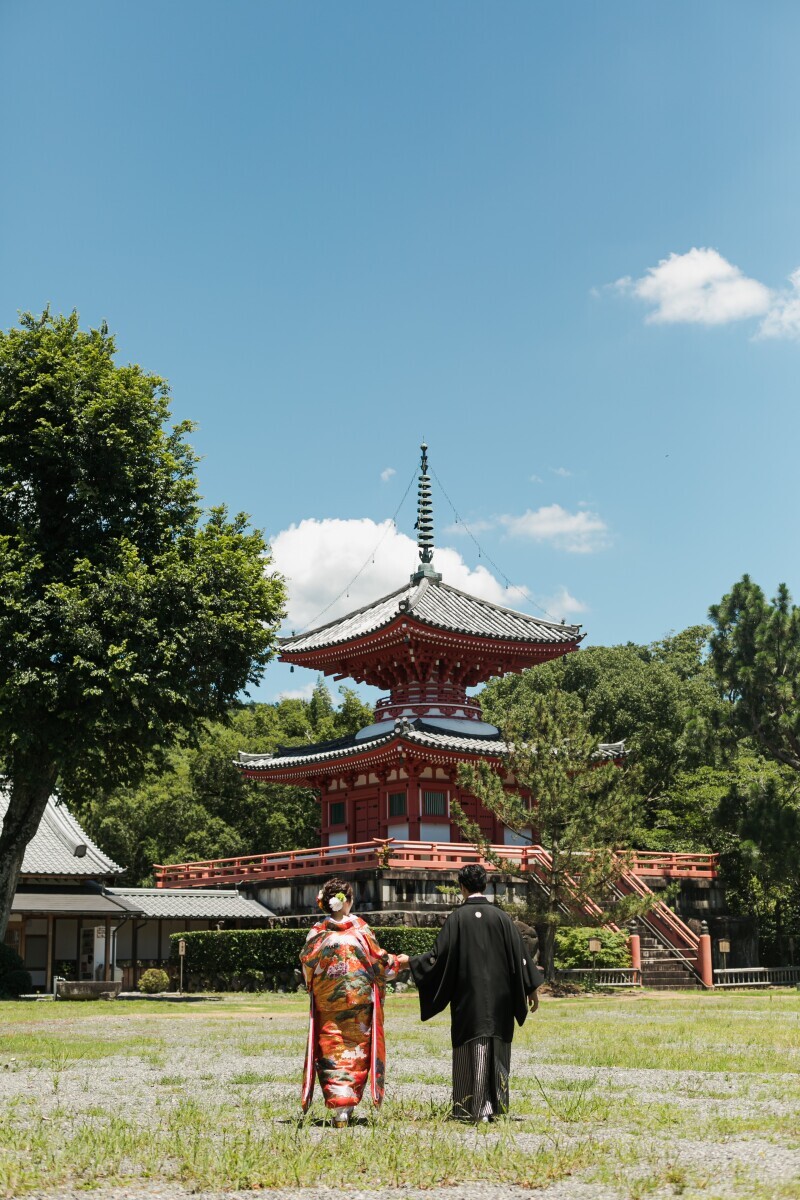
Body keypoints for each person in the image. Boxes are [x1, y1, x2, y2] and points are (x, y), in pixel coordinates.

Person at [409, 862, 543, 1123]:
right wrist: (531, 988)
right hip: (502, 997)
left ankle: (468, 1106)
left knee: (469, 1045)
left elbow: (439, 958)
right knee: (497, 1044)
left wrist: (412, 962)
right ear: (485, 885)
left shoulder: (457, 918)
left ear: (462, 887)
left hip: (468, 997)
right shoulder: (502, 918)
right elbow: (521, 957)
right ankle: (495, 1106)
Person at [300, 876, 409, 1127]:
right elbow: (379, 961)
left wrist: (318, 988)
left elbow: (307, 965)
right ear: (347, 901)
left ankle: (338, 1106)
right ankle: (347, 1106)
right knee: (355, 1050)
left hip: (327, 1002)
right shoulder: (361, 930)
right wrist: (398, 963)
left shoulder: (317, 933)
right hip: (359, 1002)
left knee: (330, 1047)